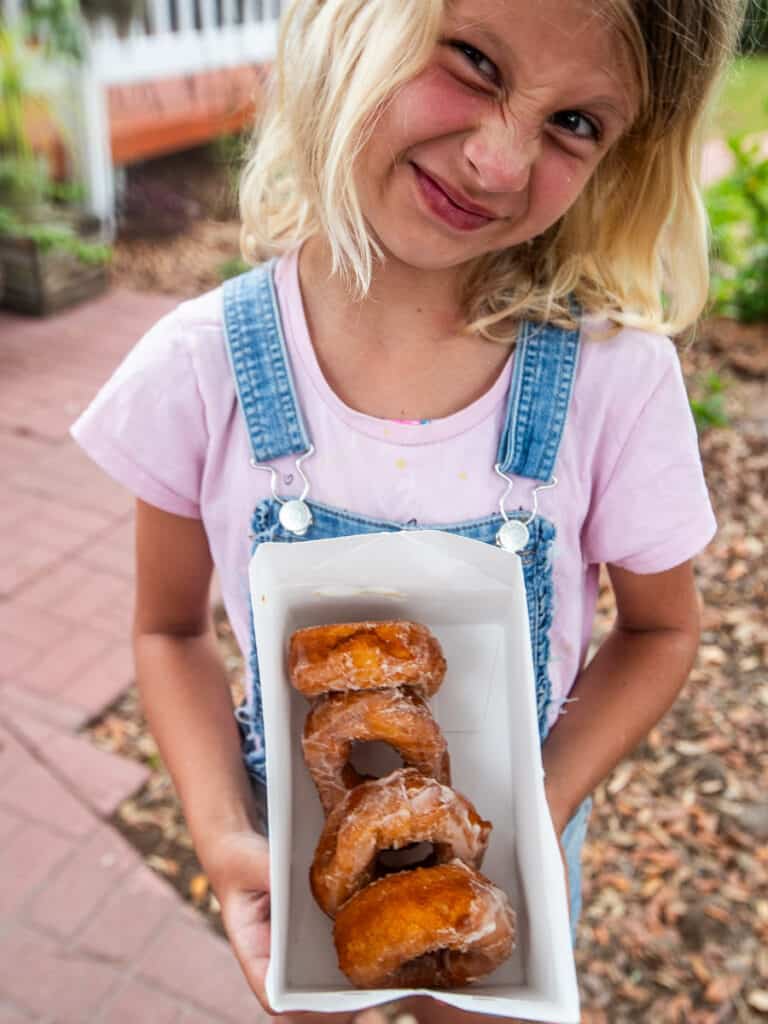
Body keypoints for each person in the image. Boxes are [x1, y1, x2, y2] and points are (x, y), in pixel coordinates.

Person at [71, 0, 746, 1020]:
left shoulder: (616, 383)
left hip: (511, 844)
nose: (499, 160)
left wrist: (532, 811)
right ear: (354, 22)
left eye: (576, 123)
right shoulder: (202, 366)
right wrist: (220, 833)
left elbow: (663, 627)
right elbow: (168, 628)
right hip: (291, 848)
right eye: (474, 60)